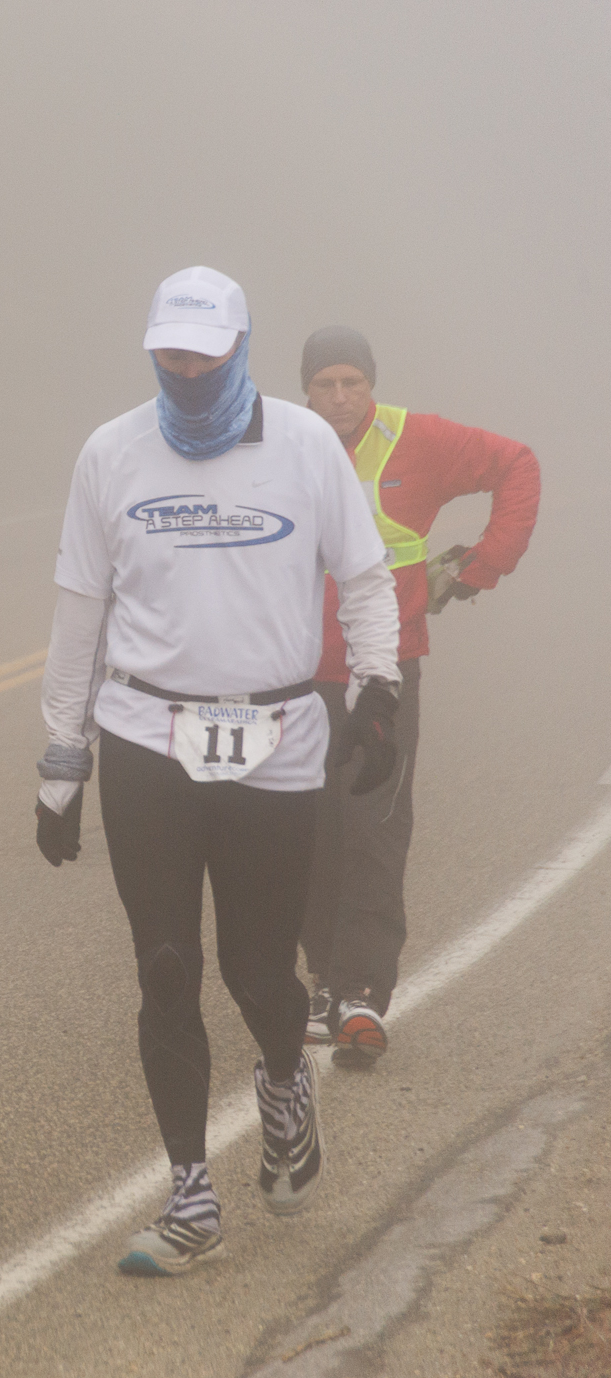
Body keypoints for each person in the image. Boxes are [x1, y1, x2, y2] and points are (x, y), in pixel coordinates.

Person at [33, 268, 404, 1278]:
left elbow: (363, 578)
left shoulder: (303, 445)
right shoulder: (111, 453)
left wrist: (377, 691)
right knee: (163, 970)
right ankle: (190, 1195)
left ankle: (285, 1078)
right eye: (170, 354)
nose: (186, 370)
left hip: (275, 738)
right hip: (147, 734)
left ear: (239, 344)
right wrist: (61, 761)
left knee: (256, 973)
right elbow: (77, 613)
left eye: (203, 352)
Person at [295, 326, 541, 1062]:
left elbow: (516, 464)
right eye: (324, 385)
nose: (339, 399)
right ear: (303, 389)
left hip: (386, 673)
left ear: (371, 384)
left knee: (373, 828)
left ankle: (361, 997)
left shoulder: (418, 439)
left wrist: (483, 564)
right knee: (310, 834)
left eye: (352, 383)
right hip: (294, 677)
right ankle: (321, 981)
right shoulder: (282, 446)